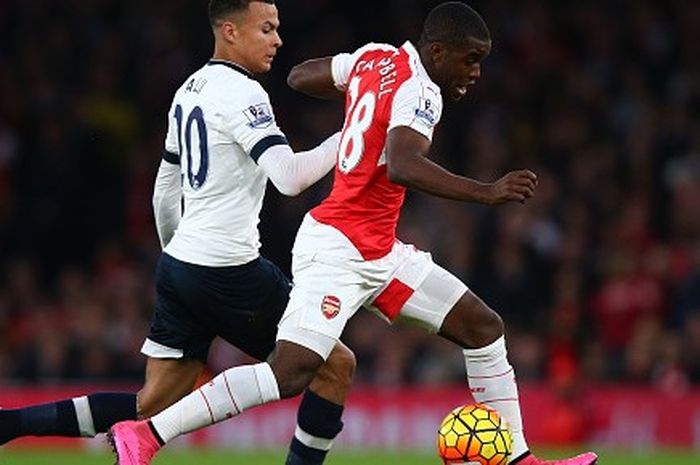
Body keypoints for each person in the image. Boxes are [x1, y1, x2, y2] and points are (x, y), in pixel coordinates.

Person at [108, 2, 598, 465]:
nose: (475, 72)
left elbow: (301, 77)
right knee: (292, 371)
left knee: (483, 328)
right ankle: (146, 434)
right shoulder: (423, 92)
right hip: (336, 249)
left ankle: (519, 458)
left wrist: (362, 91)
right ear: (437, 53)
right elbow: (404, 164)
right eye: (470, 60)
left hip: (380, 252)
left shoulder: (377, 58)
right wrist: (487, 193)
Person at [0, 2, 356, 465]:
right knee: (335, 365)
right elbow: (288, 177)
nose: (278, 40)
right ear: (230, 31)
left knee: (152, 405)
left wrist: (177, 261)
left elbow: (163, 191)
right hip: (228, 269)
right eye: (267, 29)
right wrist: (351, 135)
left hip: (182, 267)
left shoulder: (188, 90)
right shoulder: (243, 93)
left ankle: (10, 424)